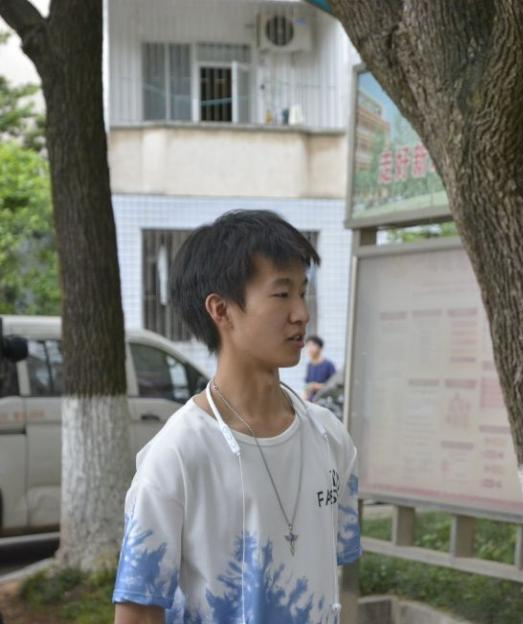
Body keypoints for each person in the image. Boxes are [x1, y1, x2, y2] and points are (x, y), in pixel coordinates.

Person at [112, 210, 361, 624]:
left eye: (303, 292)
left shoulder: (330, 438)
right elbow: (137, 611)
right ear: (221, 310)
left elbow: (329, 575)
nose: (301, 313)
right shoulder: (177, 455)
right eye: (282, 294)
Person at [304, 335, 336, 401]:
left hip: (325, 401)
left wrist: (315, 386)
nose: (310, 348)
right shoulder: (309, 365)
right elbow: (307, 385)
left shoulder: (328, 365)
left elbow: (333, 386)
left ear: (320, 348)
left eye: (313, 345)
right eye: (308, 346)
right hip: (311, 401)